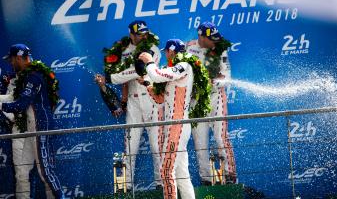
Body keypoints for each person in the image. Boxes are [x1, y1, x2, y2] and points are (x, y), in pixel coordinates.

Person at [95, 20, 163, 189]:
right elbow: (118, 72)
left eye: (145, 33)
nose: (144, 36)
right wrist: (121, 97)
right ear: (131, 34)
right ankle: (126, 187)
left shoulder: (152, 48)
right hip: (133, 102)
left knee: (156, 146)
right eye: (140, 34)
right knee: (130, 146)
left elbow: (137, 70)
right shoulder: (122, 49)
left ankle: (161, 185)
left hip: (151, 99)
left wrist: (109, 79)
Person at [0, 44, 64, 199]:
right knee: (23, 167)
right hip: (31, 127)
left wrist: (1, 105)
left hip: (40, 127)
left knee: (45, 172)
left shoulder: (33, 76)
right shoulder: (26, 76)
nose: (11, 63)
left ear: (19, 58)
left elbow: (21, 104)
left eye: (12, 60)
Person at [139, 39, 196, 199]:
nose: (164, 54)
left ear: (172, 51)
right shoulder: (175, 69)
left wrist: (150, 62)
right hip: (173, 126)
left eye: (166, 51)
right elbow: (161, 100)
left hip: (177, 126)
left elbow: (157, 76)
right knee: (182, 175)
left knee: (165, 171)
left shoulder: (184, 65)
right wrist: (147, 83)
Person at [187, 22, 237, 185]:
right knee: (200, 143)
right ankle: (206, 181)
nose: (214, 41)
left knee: (220, 137)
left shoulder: (220, 48)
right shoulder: (189, 48)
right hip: (196, 101)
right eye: (210, 39)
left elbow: (227, 76)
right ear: (201, 36)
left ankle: (230, 177)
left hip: (216, 98)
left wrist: (212, 82)